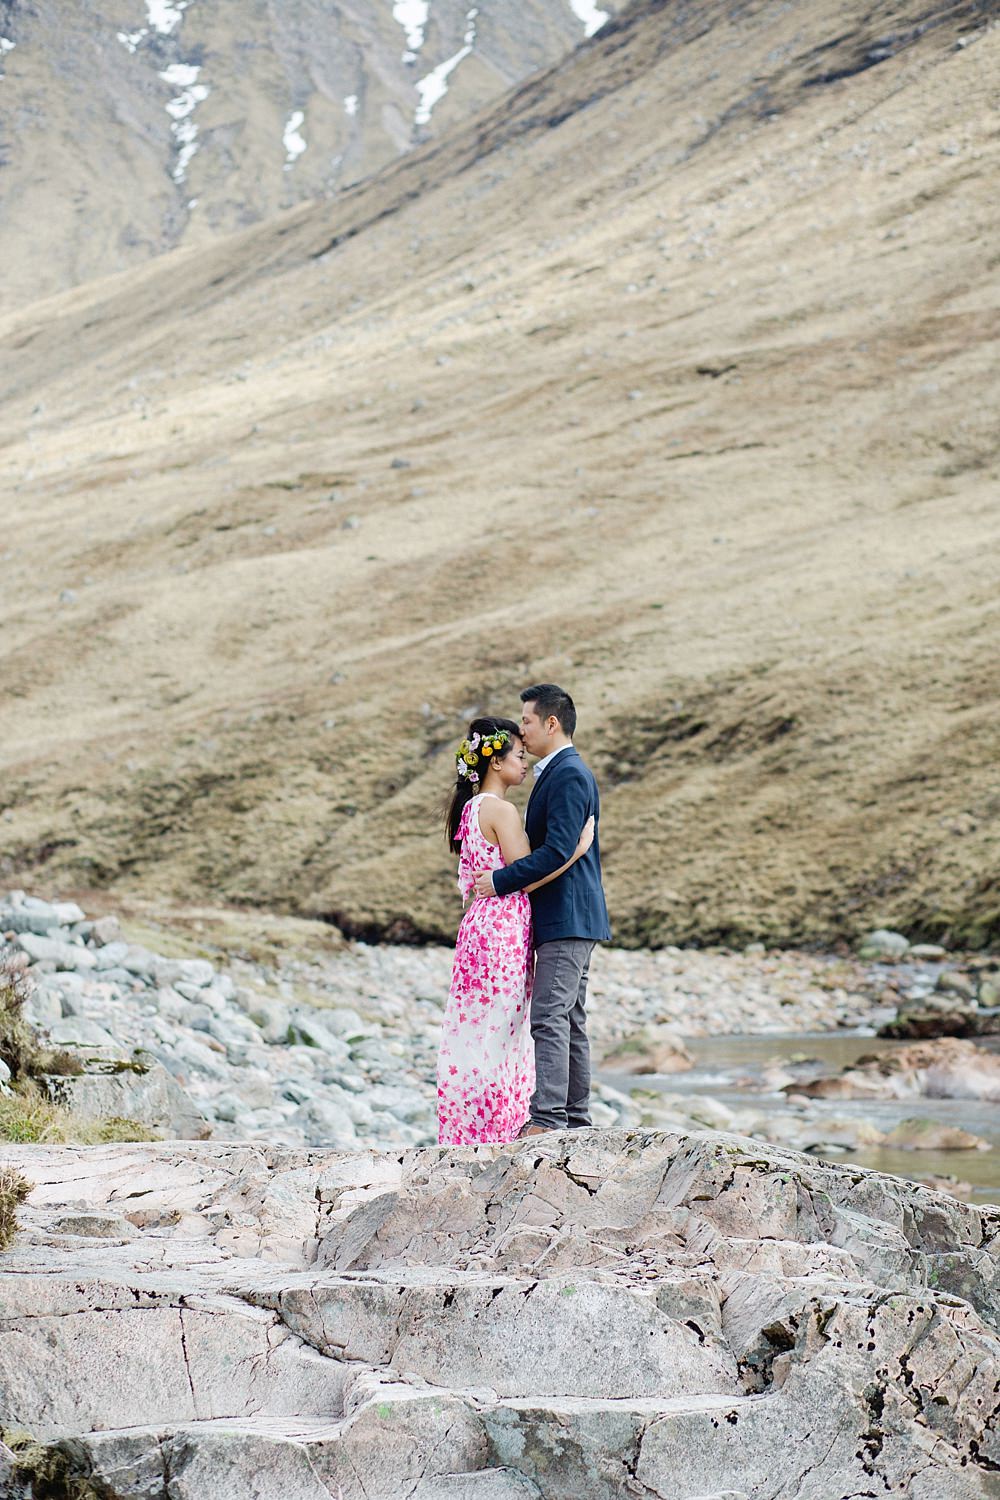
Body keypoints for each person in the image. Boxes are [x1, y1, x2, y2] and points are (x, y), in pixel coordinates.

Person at [439, 716, 593, 1146]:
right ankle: (501, 1125)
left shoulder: (469, 810)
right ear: (495, 762)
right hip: (504, 926)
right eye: (518, 756)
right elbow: (526, 875)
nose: (524, 763)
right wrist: (576, 850)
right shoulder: (502, 810)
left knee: (478, 1026)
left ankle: (468, 1125)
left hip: (477, 928)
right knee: (506, 1025)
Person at [473, 685, 610, 1136]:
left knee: (550, 1015)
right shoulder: (558, 771)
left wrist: (499, 881)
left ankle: (549, 1120)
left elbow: (557, 850)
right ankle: (574, 1118)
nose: (522, 731)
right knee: (568, 1016)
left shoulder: (568, 773)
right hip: (568, 914)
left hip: (567, 914)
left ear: (552, 723)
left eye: (527, 721)